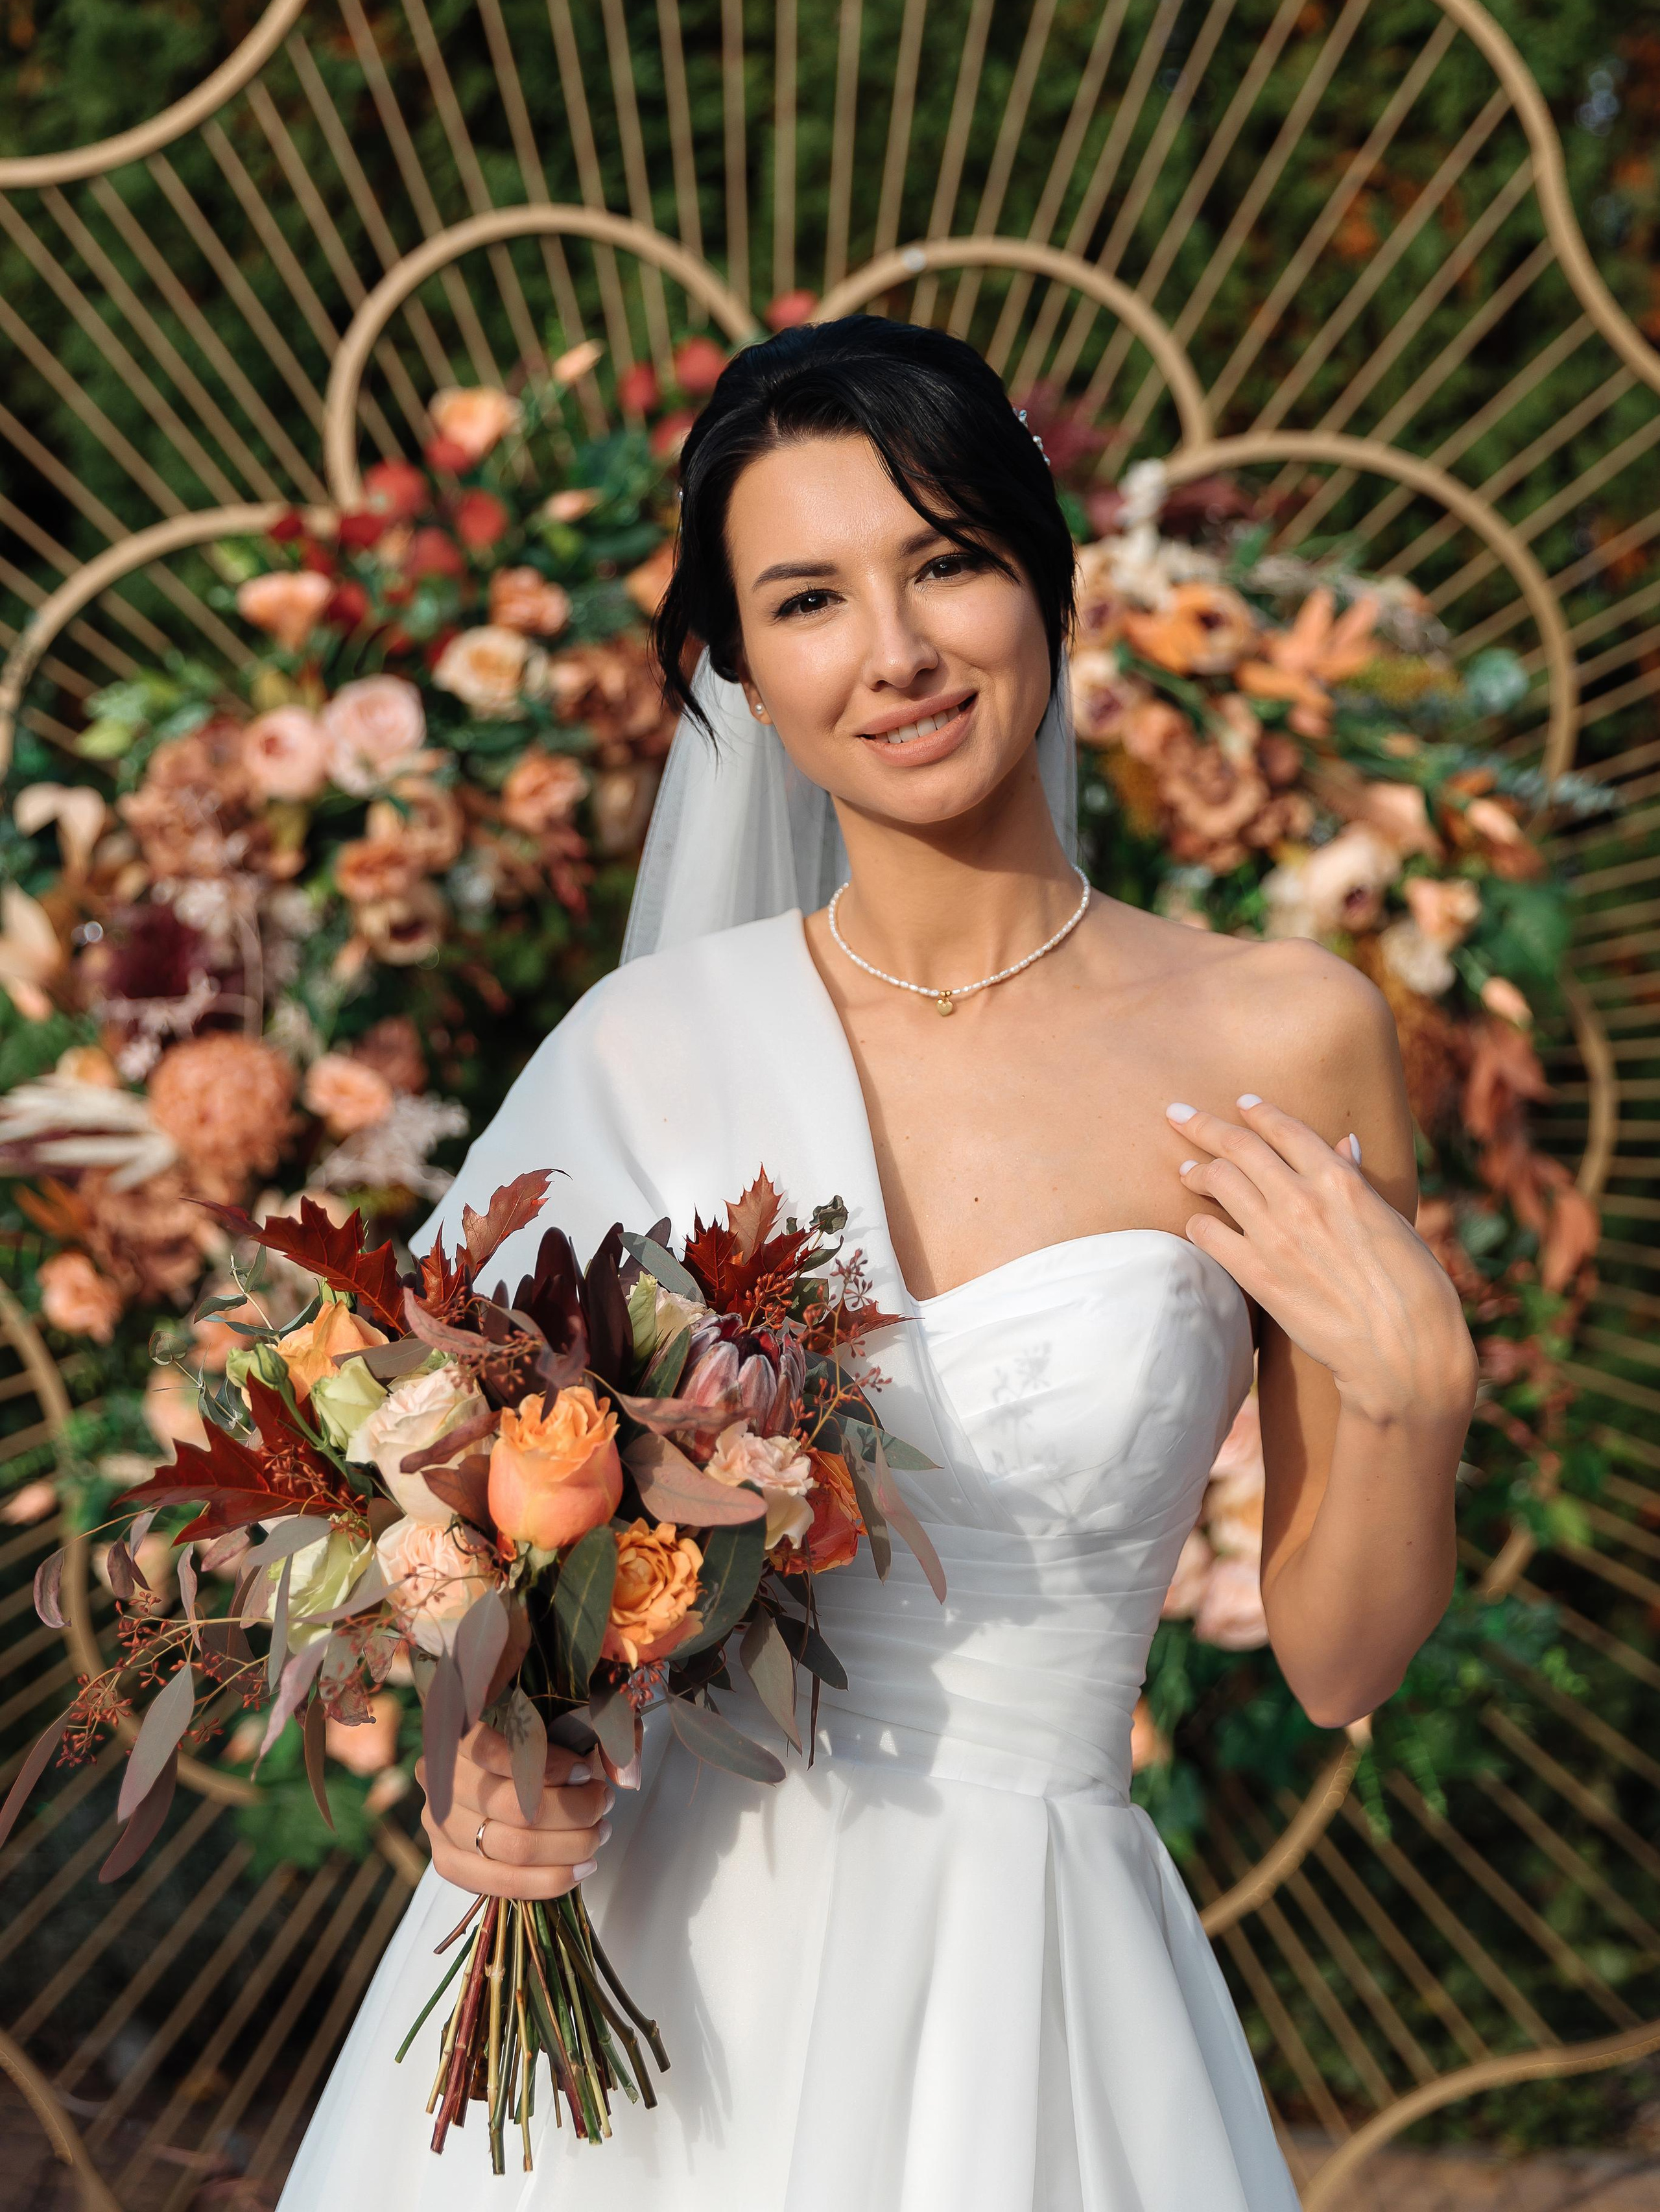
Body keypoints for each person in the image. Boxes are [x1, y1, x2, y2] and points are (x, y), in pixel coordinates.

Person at [279, 318, 1476, 2210]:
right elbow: (414, 1501)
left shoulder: (1286, 1033)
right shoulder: (646, 1049)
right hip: (647, 1994)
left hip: (1029, 1978)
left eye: (948, 562)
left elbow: (1341, 1665)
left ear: (1047, 586)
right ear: (742, 670)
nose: (897, 652)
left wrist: (1420, 1398)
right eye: (810, 600)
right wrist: (480, 1767)